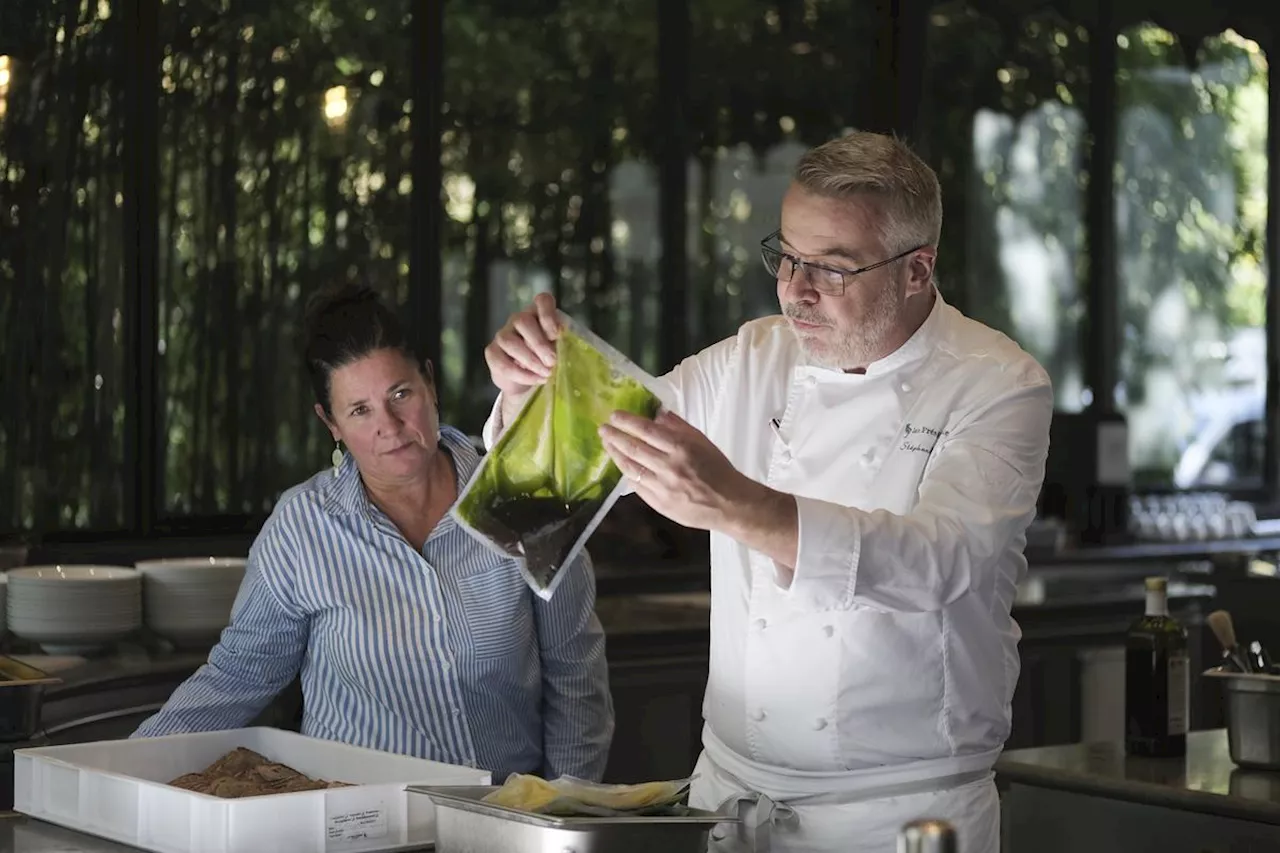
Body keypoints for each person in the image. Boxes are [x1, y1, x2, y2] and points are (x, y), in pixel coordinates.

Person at [482, 131, 1053, 851]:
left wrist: (739, 504)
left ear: (917, 270)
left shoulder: (997, 382)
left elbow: (941, 560)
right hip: (732, 801)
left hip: (898, 817)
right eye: (785, 255)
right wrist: (528, 390)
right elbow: (585, 465)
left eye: (831, 269)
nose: (795, 290)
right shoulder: (754, 356)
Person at [134, 283, 614, 785]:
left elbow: (575, 677)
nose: (389, 425)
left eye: (399, 394)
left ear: (429, 381)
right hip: (353, 827)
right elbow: (237, 676)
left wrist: (561, 813)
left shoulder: (526, 492)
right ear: (331, 422)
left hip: (499, 823)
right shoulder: (302, 528)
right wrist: (122, 773)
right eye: (359, 410)